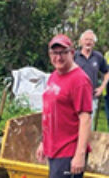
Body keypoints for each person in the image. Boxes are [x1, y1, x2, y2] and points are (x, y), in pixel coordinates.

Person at [36, 34, 92, 178]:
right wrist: (44, 142)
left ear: (72, 53)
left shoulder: (80, 81)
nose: (58, 58)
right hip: (54, 149)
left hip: (69, 151)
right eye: (54, 53)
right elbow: (51, 112)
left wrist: (79, 155)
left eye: (63, 53)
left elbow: (85, 119)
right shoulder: (54, 76)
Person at [74, 30, 109, 129]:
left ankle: (87, 144)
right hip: (75, 97)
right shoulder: (74, 56)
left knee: (88, 125)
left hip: (91, 97)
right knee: (74, 124)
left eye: (91, 40)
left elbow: (107, 72)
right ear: (81, 42)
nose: (88, 42)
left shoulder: (98, 57)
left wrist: (102, 88)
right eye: (86, 39)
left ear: (94, 43)